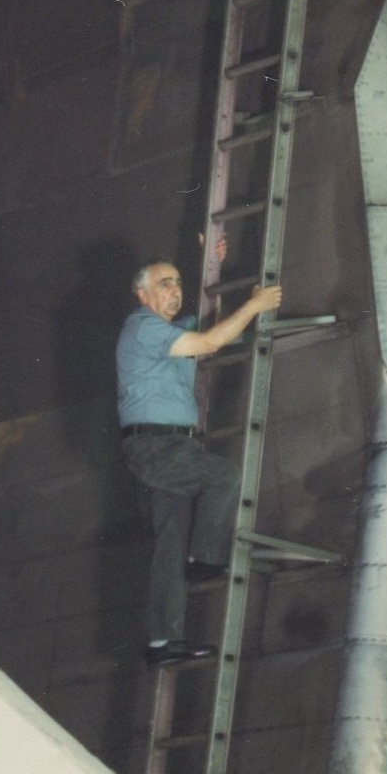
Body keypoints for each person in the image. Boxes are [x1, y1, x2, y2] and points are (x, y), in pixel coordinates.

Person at [116, 260, 280, 667]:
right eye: (165, 284)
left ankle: (161, 643)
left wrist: (216, 263)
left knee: (169, 546)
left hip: (165, 448)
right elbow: (209, 342)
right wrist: (256, 305)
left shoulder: (168, 332)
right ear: (143, 295)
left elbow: (207, 325)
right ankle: (205, 560)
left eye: (178, 283)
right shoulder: (143, 327)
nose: (174, 291)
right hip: (157, 446)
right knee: (222, 475)